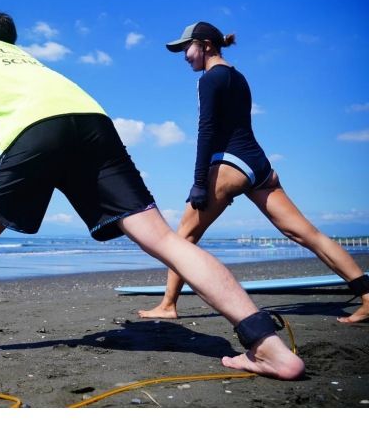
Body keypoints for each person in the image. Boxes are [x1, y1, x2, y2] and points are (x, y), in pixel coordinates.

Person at [0, 9, 305, 380]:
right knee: (163, 239)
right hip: (94, 123)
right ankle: (268, 347)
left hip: (37, 130)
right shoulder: (30, 61)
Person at [137, 22, 369, 323]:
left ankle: (168, 305)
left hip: (230, 164)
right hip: (259, 165)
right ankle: (366, 294)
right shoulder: (238, 76)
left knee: (182, 238)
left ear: (206, 45)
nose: (184, 55)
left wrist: (198, 183)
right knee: (305, 233)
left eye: (187, 47)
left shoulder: (209, 79)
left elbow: (206, 131)